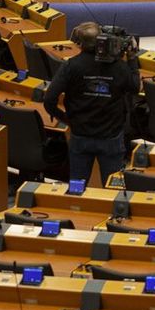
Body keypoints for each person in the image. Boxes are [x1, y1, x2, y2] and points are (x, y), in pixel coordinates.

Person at [42, 21, 141, 186]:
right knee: (112, 188)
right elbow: (135, 88)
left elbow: (49, 100)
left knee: (76, 187)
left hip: (80, 134)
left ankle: (75, 210)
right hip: (111, 137)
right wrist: (131, 59)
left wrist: (67, 119)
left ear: (79, 44)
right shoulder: (119, 67)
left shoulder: (71, 66)